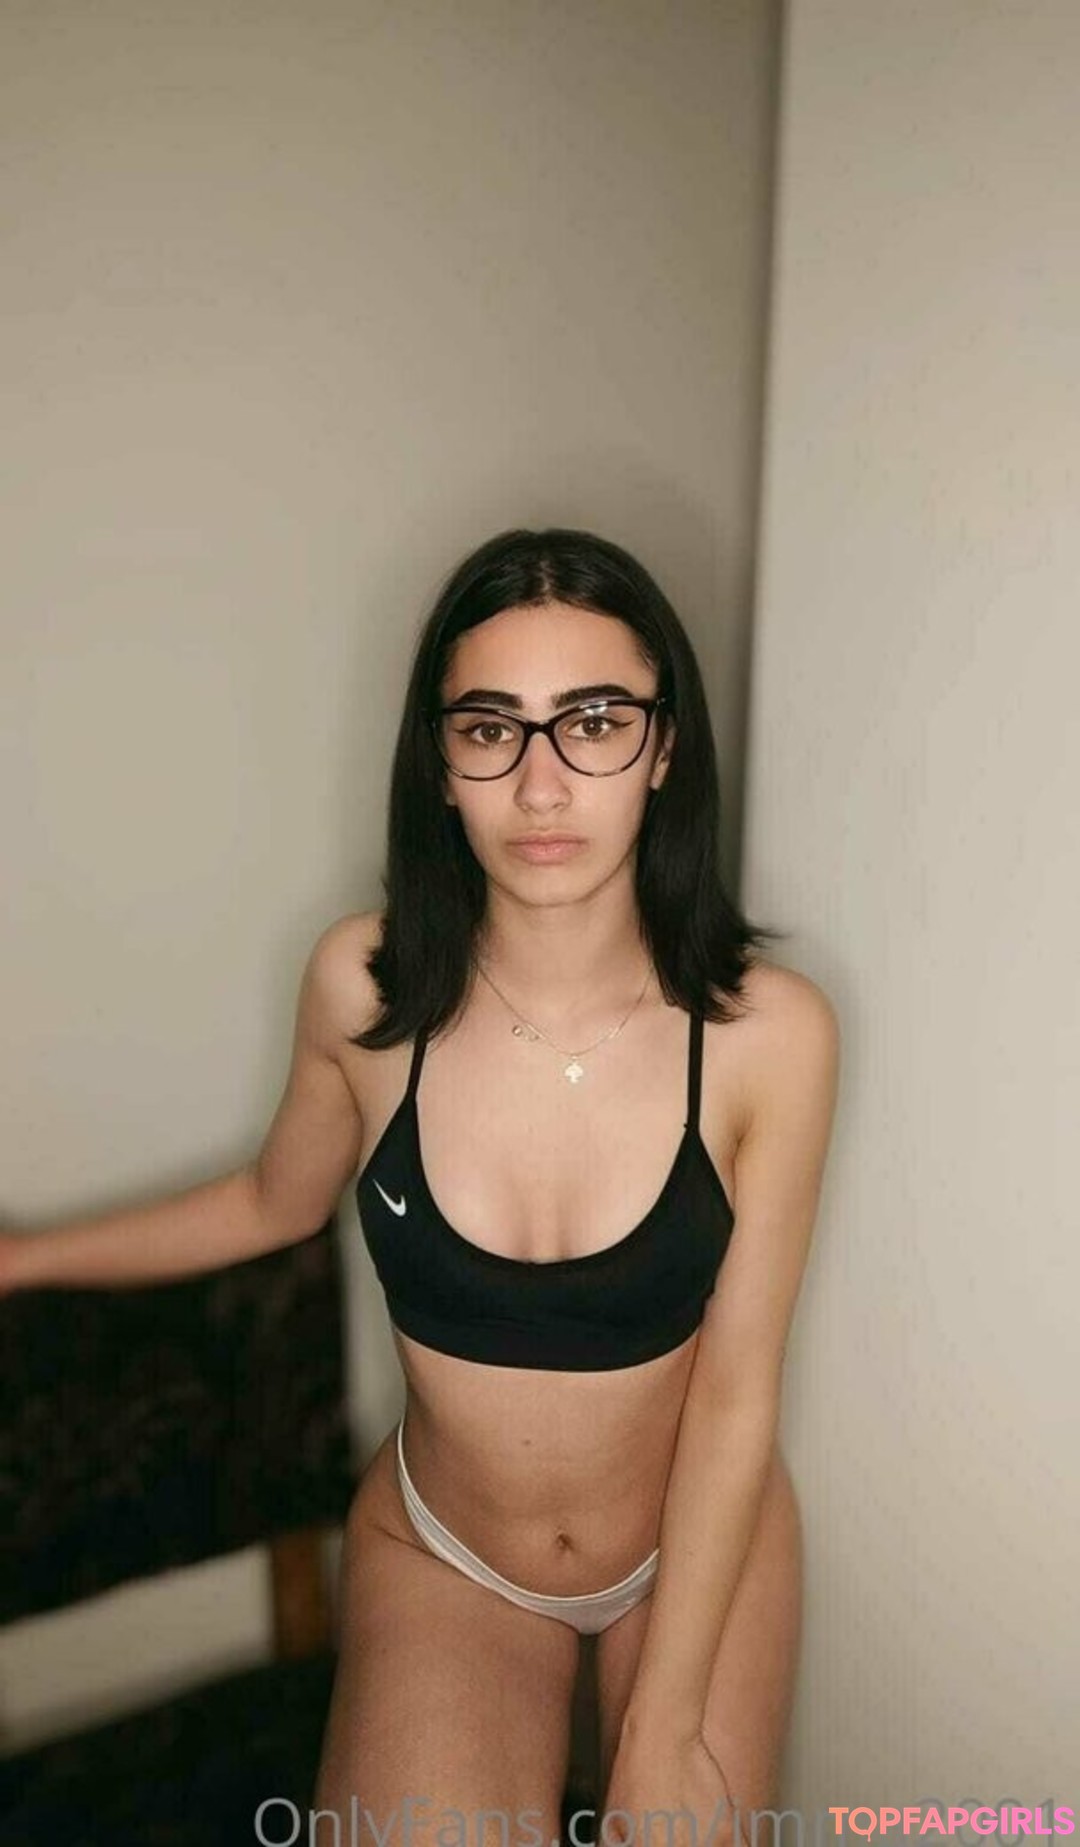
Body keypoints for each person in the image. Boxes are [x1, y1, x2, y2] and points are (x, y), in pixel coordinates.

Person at [1, 527, 839, 1846]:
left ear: (665, 749)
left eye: (594, 723)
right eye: (492, 729)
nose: (543, 784)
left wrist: (661, 1728)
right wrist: (23, 1258)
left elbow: (738, 1390)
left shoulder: (768, 1036)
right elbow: (272, 1202)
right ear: (441, 765)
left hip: (691, 1549)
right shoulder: (364, 988)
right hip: (447, 1557)